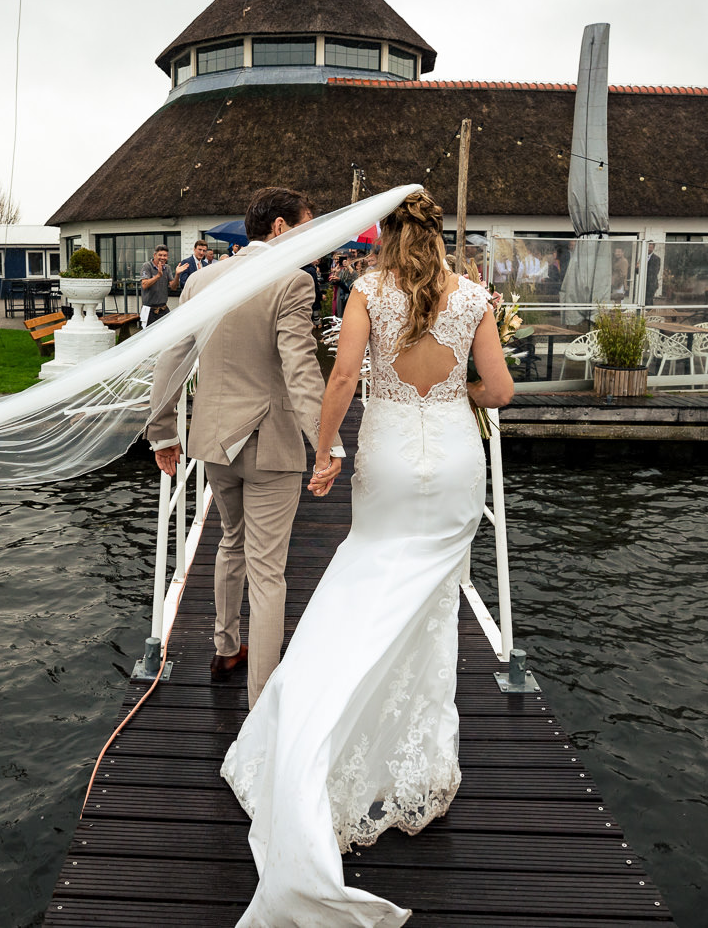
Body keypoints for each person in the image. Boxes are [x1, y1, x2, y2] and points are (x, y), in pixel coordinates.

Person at [220, 188, 514, 926]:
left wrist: (325, 451)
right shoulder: (473, 295)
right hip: (452, 460)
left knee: (364, 582)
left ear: (383, 234)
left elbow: (345, 379)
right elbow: (502, 390)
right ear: (440, 233)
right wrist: (458, 390)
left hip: (385, 459)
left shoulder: (367, 291)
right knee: (433, 605)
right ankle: (422, 767)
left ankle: (320, 728)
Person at [147, 187, 336, 709]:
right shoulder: (292, 282)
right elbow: (299, 369)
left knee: (231, 541)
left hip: (212, 440)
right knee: (268, 569)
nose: (314, 240)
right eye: (307, 227)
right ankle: (262, 704)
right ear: (279, 228)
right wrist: (327, 443)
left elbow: (172, 357)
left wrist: (164, 432)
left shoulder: (201, 280)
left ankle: (226, 649)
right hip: (270, 442)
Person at [139, 245, 172, 327]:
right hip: (149, 310)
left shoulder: (167, 268)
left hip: (163, 308)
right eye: (160, 255)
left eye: (165, 255)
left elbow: (173, 286)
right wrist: (158, 276)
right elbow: (144, 285)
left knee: (167, 332)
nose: (162, 257)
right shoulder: (147, 266)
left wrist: (178, 275)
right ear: (154, 255)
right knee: (148, 336)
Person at [644, 241, 662, 306]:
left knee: (648, 300)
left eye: (650, 247)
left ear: (653, 248)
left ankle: (649, 314)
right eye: (648, 247)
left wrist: (644, 267)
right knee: (643, 300)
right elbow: (637, 271)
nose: (649, 249)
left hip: (651, 283)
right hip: (643, 283)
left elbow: (655, 271)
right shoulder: (643, 257)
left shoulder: (656, 258)